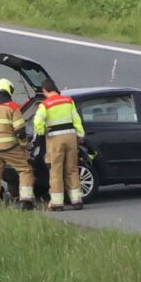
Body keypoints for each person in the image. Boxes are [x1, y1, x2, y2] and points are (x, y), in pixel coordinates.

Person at [0, 78, 36, 209]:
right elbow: (20, 131)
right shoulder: (12, 107)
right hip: (9, 146)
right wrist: (23, 145)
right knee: (25, 169)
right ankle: (26, 201)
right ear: (9, 90)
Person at [33, 82, 86, 211]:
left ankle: (57, 203)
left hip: (55, 138)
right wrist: (80, 135)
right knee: (72, 169)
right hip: (71, 137)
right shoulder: (68, 101)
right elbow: (76, 120)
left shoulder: (45, 104)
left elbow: (37, 122)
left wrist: (42, 131)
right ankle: (77, 200)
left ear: (45, 90)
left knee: (56, 170)